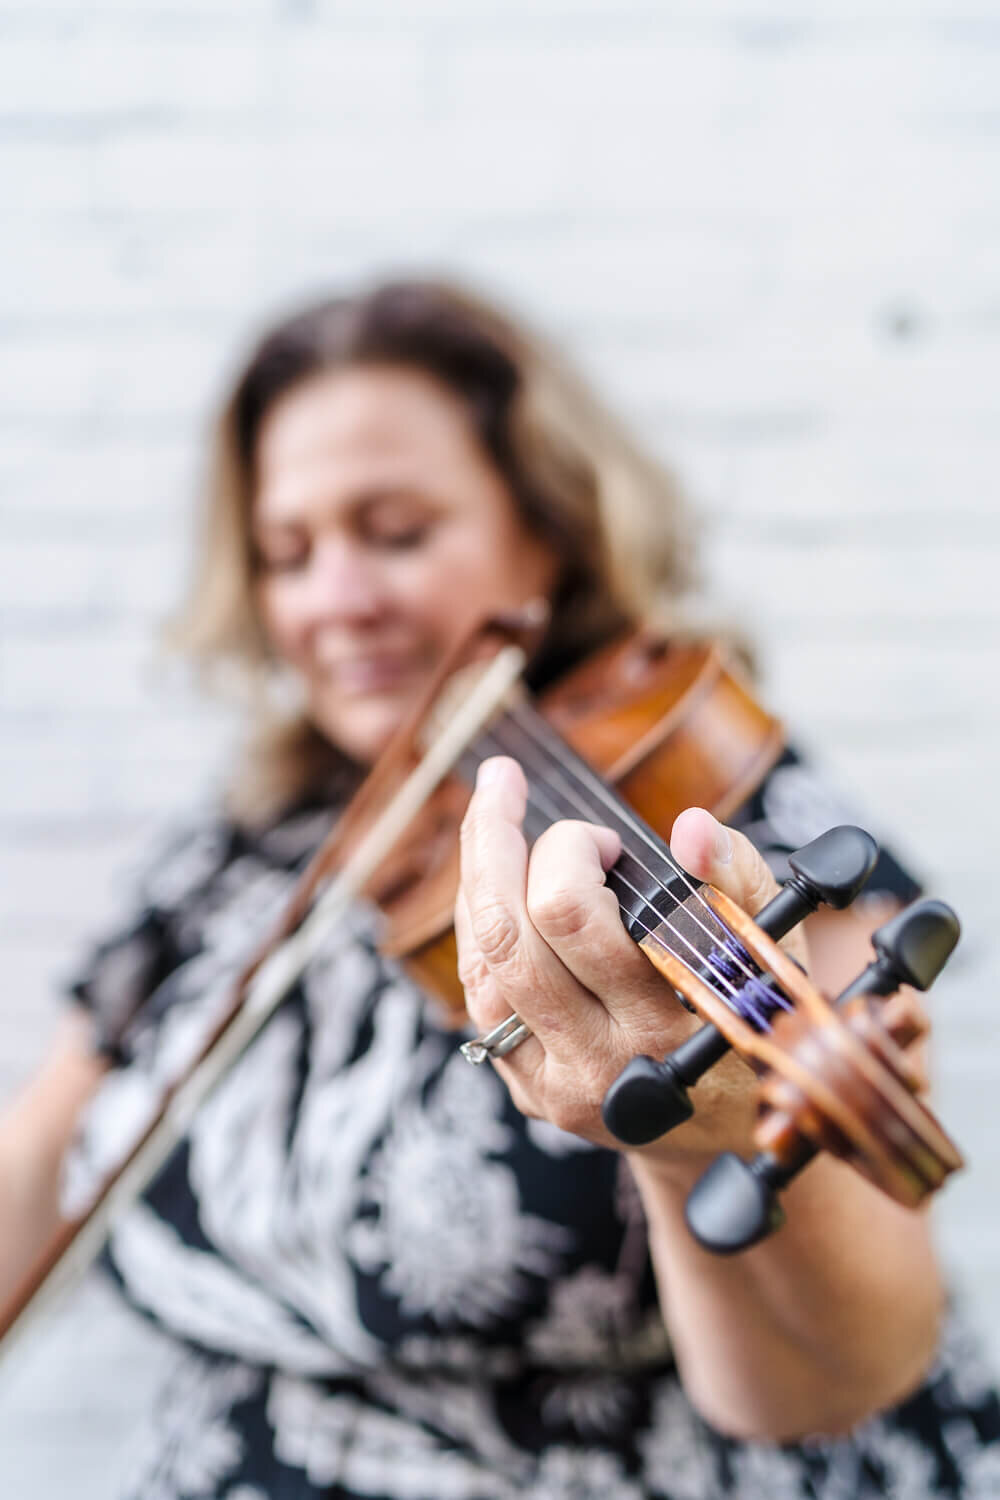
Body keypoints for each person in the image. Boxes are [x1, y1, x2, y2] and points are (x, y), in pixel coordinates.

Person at [1, 278, 998, 1499]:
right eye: (286, 554)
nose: (335, 601)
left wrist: (700, 1150)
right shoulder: (240, 845)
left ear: (549, 527)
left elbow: (843, 1376)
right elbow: (38, 1165)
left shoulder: (727, 820)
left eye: (398, 531)